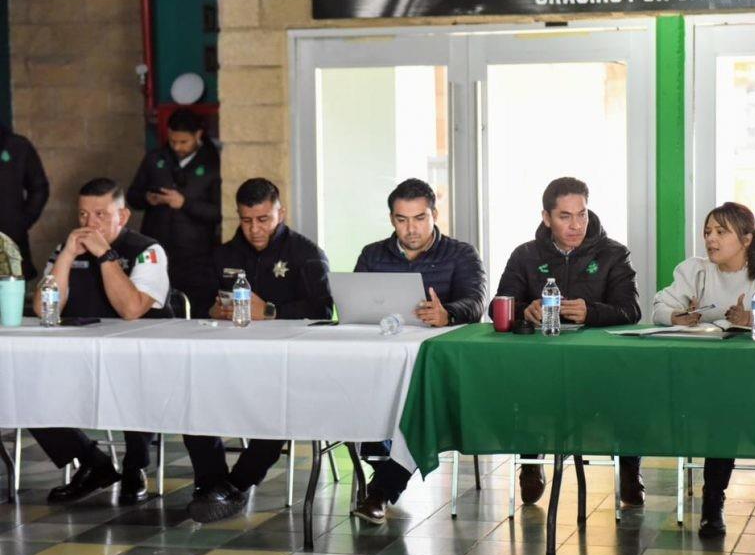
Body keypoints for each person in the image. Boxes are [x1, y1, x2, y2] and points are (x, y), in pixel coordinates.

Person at [182, 178, 332, 523]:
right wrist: (212, 311)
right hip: (228, 360)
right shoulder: (224, 254)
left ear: (280, 212)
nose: (254, 229)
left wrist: (270, 311)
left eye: (263, 219)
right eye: (246, 220)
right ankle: (210, 483)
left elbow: (324, 314)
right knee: (191, 401)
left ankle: (235, 485)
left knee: (276, 411)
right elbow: (201, 302)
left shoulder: (305, 254)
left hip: (285, 364)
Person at [653, 201, 755, 538]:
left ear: (747, 238)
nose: (711, 239)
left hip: (748, 378)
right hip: (700, 377)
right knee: (727, 402)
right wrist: (677, 317)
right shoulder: (695, 270)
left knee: (726, 408)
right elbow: (659, 306)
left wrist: (750, 319)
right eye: (708, 232)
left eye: (721, 232)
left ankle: (713, 505)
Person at [495, 177, 643, 508]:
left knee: (633, 384)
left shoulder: (613, 254)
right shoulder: (526, 255)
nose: (576, 225)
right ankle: (530, 465)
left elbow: (631, 310)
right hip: (541, 363)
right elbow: (498, 307)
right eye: (565, 216)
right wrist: (525, 310)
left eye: (582, 214)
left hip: (600, 362)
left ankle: (630, 469)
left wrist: (592, 312)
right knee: (522, 385)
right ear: (546, 218)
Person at [351, 178, 487, 524]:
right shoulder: (372, 255)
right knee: (353, 389)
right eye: (402, 220)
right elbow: (353, 304)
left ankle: (380, 491)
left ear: (434, 214)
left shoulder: (461, 253)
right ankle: (380, 470)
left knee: (417, 409)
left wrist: (448, 313)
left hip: (436, 362)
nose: (411, 229)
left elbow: (475, 303)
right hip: (380, 360)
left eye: (420, 218)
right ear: (391, 219)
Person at [29, 178, 169, 505]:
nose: (90, 224)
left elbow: (132, 308)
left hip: (140, 356)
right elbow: (42, 308)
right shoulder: (65, 249)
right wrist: (65, 258)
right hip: (81, 355)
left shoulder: (148, 251)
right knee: (26, 384)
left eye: (101, 215)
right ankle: (93, 462)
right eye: (82, 215)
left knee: (134, 381)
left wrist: (105, 256)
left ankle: (136, 467)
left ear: (123, 216)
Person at [127, 108, 220, 314]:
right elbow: (132, 196)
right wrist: (147, 198)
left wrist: (184, 204)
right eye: (173, 141)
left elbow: (220, 212)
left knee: (195, 309)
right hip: (156, 248)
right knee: (155, 307)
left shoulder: (214, 163)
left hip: (196, 255)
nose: (177, 147)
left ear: (198, 135)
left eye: (183, 142)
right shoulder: (155, 158)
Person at [0, 121, 49, 280]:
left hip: (10, 239)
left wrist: (22, 221)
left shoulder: (17, 146)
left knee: (11, 294)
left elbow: (39, 187)